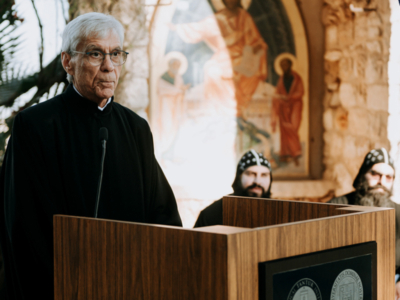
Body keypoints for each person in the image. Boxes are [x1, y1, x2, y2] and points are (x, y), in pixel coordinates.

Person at [0, 12, 182, 299]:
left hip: (130, 287)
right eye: (96, 53)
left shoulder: (135, 129)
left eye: (116, 54)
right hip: (61, 288)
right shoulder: (35, 126)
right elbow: (23, 227)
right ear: (68, 62)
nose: (109, 66)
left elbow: (162, 216)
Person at [169, 0, 267, 117]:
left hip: (241, 55)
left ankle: (238, 106)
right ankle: (218, 109)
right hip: (223, 56)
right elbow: (199, 28)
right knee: (211, 69)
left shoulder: (244, 17)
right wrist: (176, 28)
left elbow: (255, 39)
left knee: (242, 72)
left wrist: (256, 47)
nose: (230, 1)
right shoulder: (218, 18)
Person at [327, 148, 400, 299]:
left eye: (388, 177)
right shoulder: (335, 207)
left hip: (390, 284)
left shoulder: (399, 214)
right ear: (362, 175)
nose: (381, 181)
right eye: (375, 174)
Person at [194, 149, 272, 227]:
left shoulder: (278, 214)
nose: (257, 181)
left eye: (264, 175)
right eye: (251, 174)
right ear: (239, 177)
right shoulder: (211, 215)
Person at [271, 57, 304, 166]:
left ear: (290, 65)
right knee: (284, 131)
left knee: (292, 129)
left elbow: (300, 92)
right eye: (282, 66)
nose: (284, 67)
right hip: (283, 109)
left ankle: (296, 153)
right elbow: (278, 91)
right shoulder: (281, 79)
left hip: (295, 107)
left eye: (285, 65)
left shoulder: (296, 78)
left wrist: (289, 97)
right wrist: (277, 98)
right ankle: (285, 154)